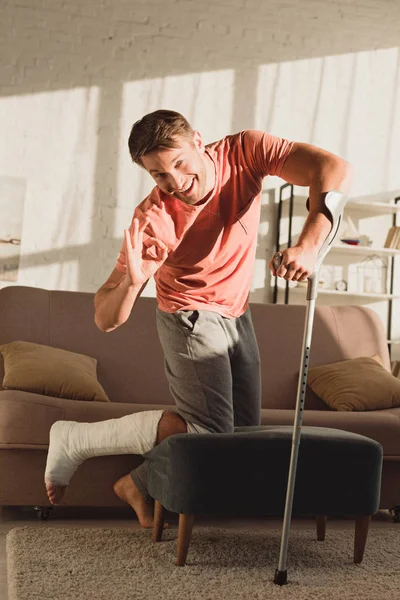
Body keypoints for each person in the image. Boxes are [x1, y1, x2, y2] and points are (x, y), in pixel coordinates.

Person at [44, 110, 352, 527]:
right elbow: (105, 319)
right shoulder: (154, 219)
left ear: (200, 142)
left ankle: (137, 483)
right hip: (188, 315)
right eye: (158, 175)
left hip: (237, 313)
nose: (174, 182)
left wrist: (309, 245)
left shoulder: (245, 152)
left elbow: (332, 168)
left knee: (239, 437)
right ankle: (78, 439)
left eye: (179, 163)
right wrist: (135, 283)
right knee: (212, 435)